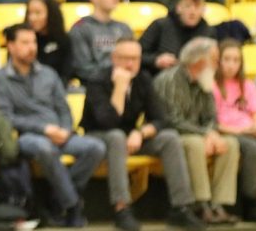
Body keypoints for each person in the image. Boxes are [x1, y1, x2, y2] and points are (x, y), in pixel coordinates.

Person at [81, 38, 204, 231]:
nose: (130, 64)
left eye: (135, 59)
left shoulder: (143, 79)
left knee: (170, 138)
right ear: (114, 58)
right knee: (116, 136)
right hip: (98, 138)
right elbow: (108, 122)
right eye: (125, 58)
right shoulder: (97, 80)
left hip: (129, 139)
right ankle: (122, 208)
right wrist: (120, 88)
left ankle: (181, 208)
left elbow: (162, 119)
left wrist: (140, 133)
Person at [0, 25, 106, 227]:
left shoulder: (49, 74)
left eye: (33, 42)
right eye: (25, 43)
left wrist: (65, 130)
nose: (31, 47)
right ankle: (73, 205)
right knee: (44, 147)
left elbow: (63, 108)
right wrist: (44, 130)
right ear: (10, 46)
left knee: (96, 147)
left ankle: (58, 199)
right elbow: (5, 118)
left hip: (59, 132)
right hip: (27, 136)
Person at [154, 37, 240, 225]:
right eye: (215, 59)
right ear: (200, 61)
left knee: (230, 143)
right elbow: (172, 120)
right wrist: (205, 134)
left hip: (198, 133)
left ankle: (219, 204)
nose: (218, 64)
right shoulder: (169, 80)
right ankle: (201, 205)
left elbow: (211, 117)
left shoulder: (205, 80)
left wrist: (211, 134)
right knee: (194, 143)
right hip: (172, 135)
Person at [213, 40, 256, 222]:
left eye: (236, 60)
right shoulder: (211, 85)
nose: (231, 65)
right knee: (253, 149)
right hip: (228, 132)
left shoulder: (247, 85)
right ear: (218, 60)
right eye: (227, 59)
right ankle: (250, 202)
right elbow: (213, 123)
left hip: (250, 130)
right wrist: (241, 130)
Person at [70, 0, 134, 84]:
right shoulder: (81, 28)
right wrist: (111, 75)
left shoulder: (124, 28)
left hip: (124, 81)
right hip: (93, 86)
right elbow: (83, 67)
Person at [140, 0, 216, 76]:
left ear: (203, 10)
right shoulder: (160, 25)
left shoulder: (208, 32)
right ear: (179, 7)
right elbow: (137, 55)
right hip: (161, 78)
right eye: (188, 6)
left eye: (197, 6)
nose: (192, 11)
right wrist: (156, 60)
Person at [21, 0, 73, 83]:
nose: (32, 18)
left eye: (38, 13)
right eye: (29, 13)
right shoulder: (21, 39)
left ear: (51, 14)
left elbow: (67, 72)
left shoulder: (63, 40)